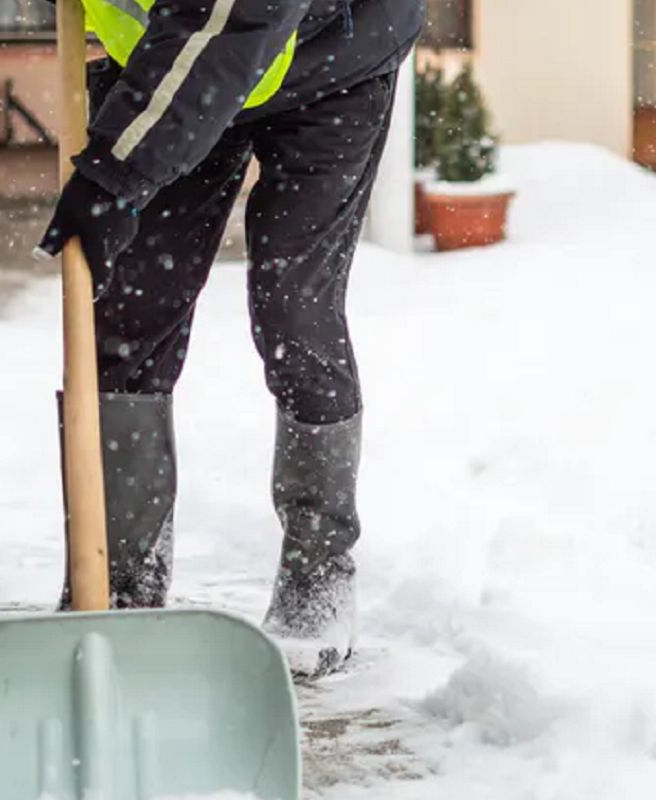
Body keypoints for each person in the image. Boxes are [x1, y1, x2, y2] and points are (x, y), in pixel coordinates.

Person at [36, 0, 424, 679]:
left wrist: (115, 172)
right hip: (170, 55)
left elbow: (235, 17)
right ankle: (119, 577)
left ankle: (318, 570)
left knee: (295, 312)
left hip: (332, 57)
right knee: (131, 314)